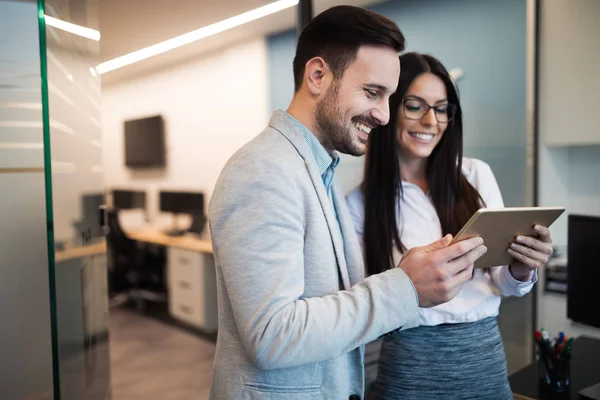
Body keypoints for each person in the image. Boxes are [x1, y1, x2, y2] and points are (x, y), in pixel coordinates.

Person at [208, 7, 488, 399]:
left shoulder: (319, 170)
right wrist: (405, 286)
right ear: (318, 76)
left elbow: (338, 306)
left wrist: (413, 274)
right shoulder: (263, 171)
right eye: (373, 93)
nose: (384, 116)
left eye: (390, 98)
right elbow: (272, 335)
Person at [346, 52, 554, 400]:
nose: (431, 120)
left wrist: (520, 268)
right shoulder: (360, 204)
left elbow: (502, 282)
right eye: (415, 106)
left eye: (442, 108)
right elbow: (364, 305)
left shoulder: (475, 175)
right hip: (410, 364)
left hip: (482, 355)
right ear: (389, 109)